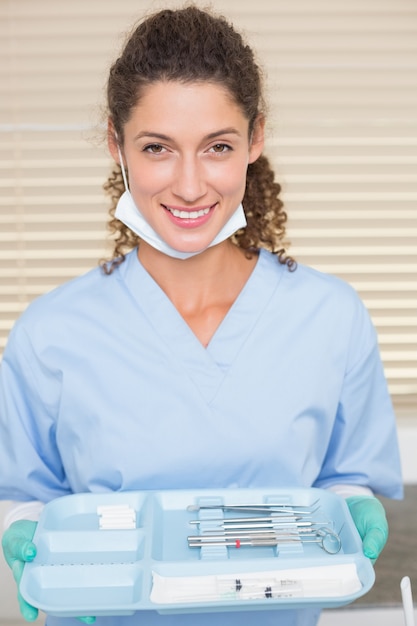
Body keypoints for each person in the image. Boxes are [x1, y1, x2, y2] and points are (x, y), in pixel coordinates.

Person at [0, 5, 403, 626]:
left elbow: (345, 479)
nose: (189, 187)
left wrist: (353, 502)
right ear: (117, 144)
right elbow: (26, 495)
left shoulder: (330, 317)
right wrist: (25, 532)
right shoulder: (52, 333)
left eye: (217, 146)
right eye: (157, 147)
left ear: (255, 139)